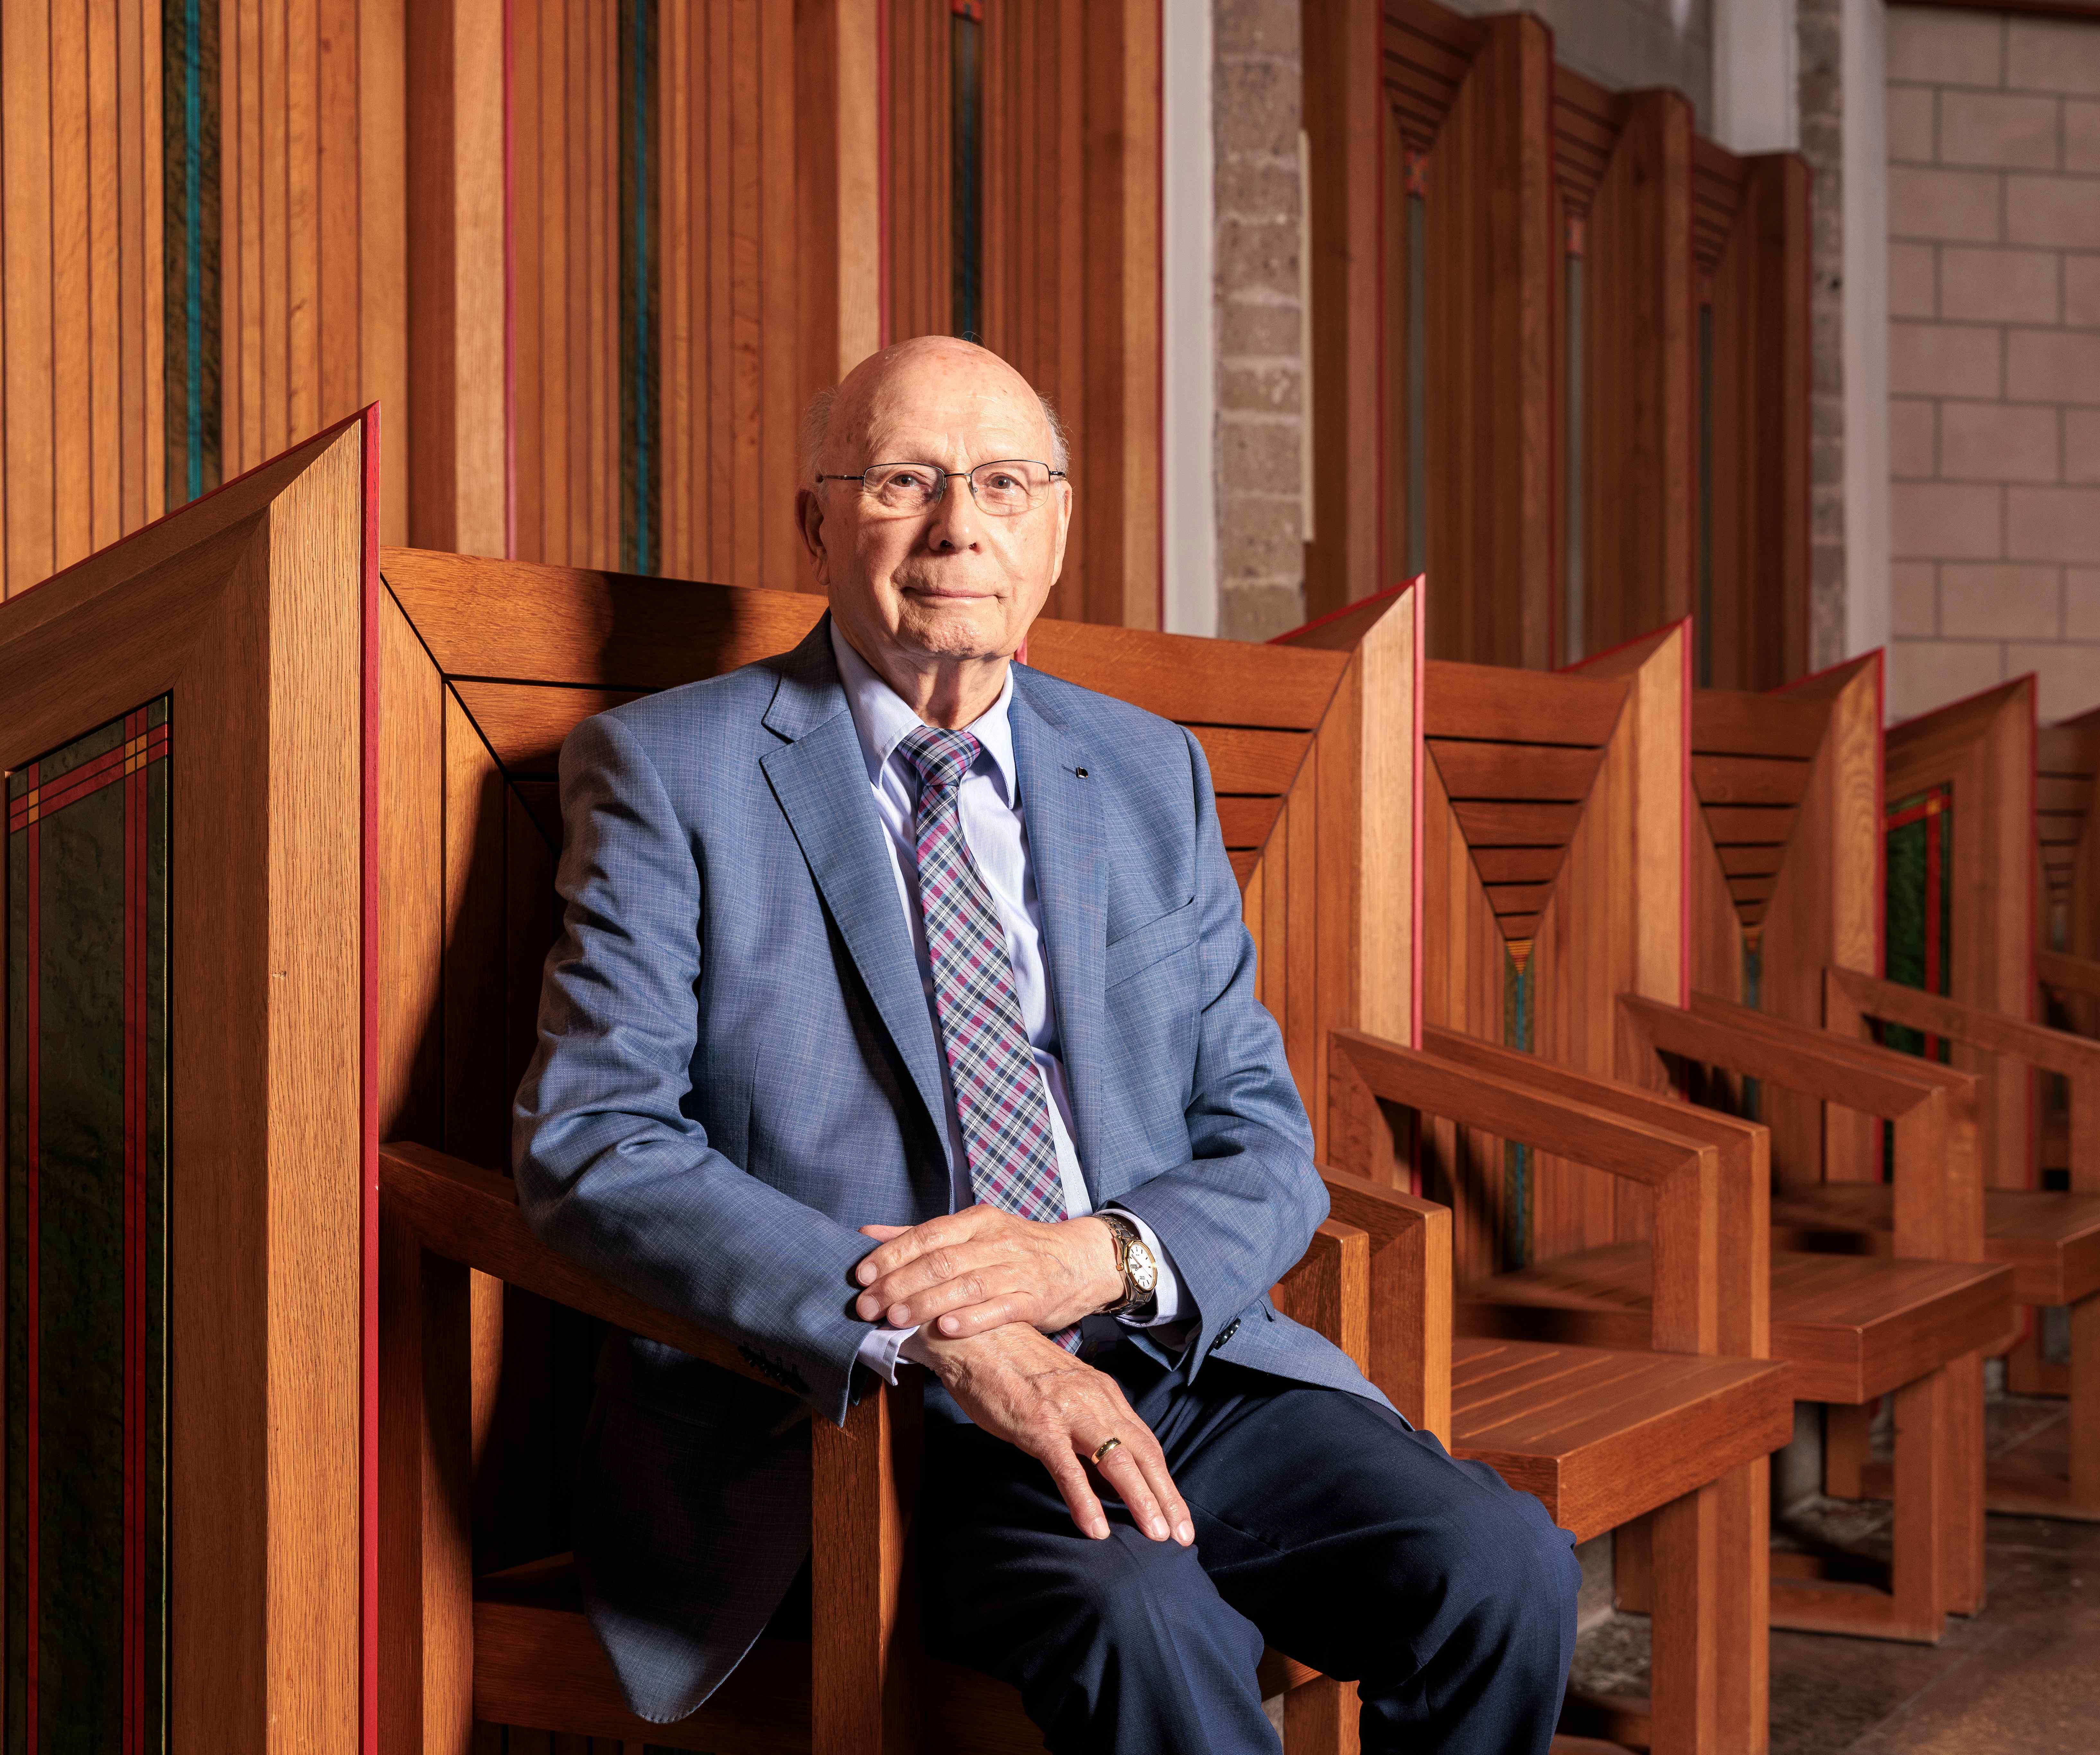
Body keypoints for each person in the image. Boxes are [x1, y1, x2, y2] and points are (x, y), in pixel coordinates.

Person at [513, 335, 1579, 1751]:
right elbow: (594, 1141)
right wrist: (930, 1323)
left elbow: (1262, 1138)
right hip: (874, 1417)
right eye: (904, 480)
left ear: (1057, 530)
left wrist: (1098, 1260)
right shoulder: (672, 770)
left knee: (1502, 1567)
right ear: (818, 524)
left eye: (1003, 484)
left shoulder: (1145, 768)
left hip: (1172, 1352)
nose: (959, 525)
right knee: (1144, 1617)